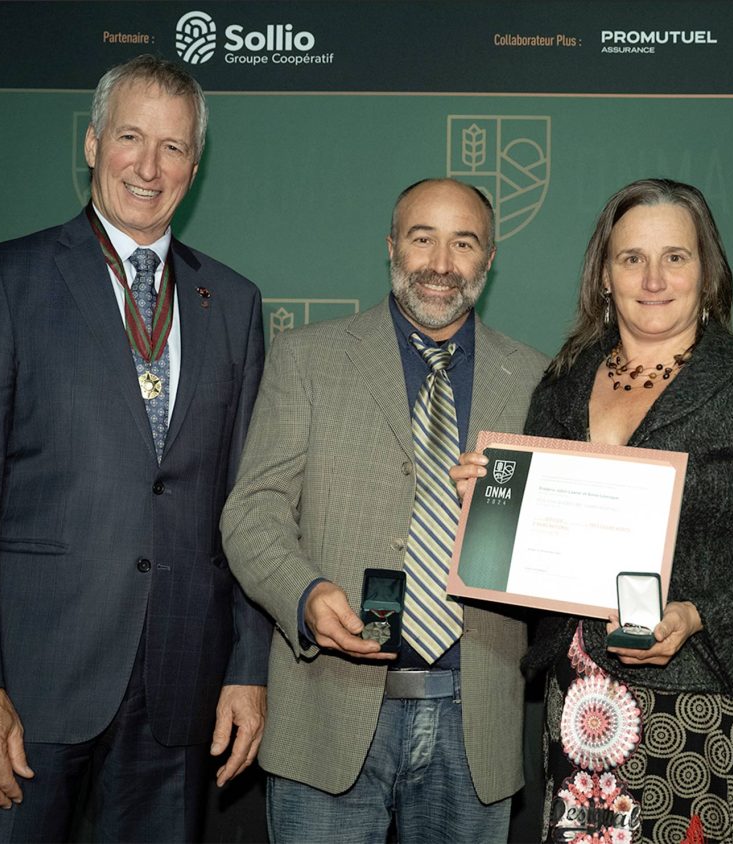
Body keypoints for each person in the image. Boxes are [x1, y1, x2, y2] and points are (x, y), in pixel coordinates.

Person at [0, 54, 271, 842]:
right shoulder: (9, 279)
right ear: (91, 145)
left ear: (196, 161)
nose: (149, 167)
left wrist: (248, 668)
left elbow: (249, 506)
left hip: (178, 688)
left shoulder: (234, 303)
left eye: (174, 147)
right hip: (29, 686)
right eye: (129, 137)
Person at [453, 178, 733, 843]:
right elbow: (535, 561)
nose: (653, 278)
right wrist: (492, 506)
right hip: (581, 715)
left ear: (708, 271)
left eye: (676, 256)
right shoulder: (561, 385)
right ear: (604, 276)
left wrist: (701, 616)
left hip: (710, 720)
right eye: (631, 258)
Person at [221, 178, 549, 842]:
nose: (440, 264)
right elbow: (252, 512)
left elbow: (558, 554)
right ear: (391, 245)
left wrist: (511, 518)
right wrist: (305, 594)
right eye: (422, 237)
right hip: (327, 715)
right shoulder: (306, 358)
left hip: (474, 723)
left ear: (489, 260)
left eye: (464, 243)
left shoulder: (540, 382)